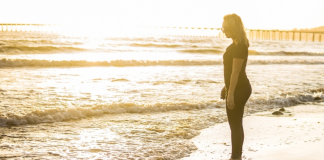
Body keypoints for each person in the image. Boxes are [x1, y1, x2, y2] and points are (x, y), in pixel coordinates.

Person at [220, 13, 252, 160]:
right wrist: (225, 87)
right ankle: (237, 155)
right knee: (237, 123)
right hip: (238, 87)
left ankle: (236, 157)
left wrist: (230, 93)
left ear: (232, 27)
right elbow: (231, 72)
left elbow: (236, 72)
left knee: (234, 124)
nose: (223, 29)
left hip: (239, 89)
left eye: (225, 27)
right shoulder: (236, 44)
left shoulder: (239, 46)